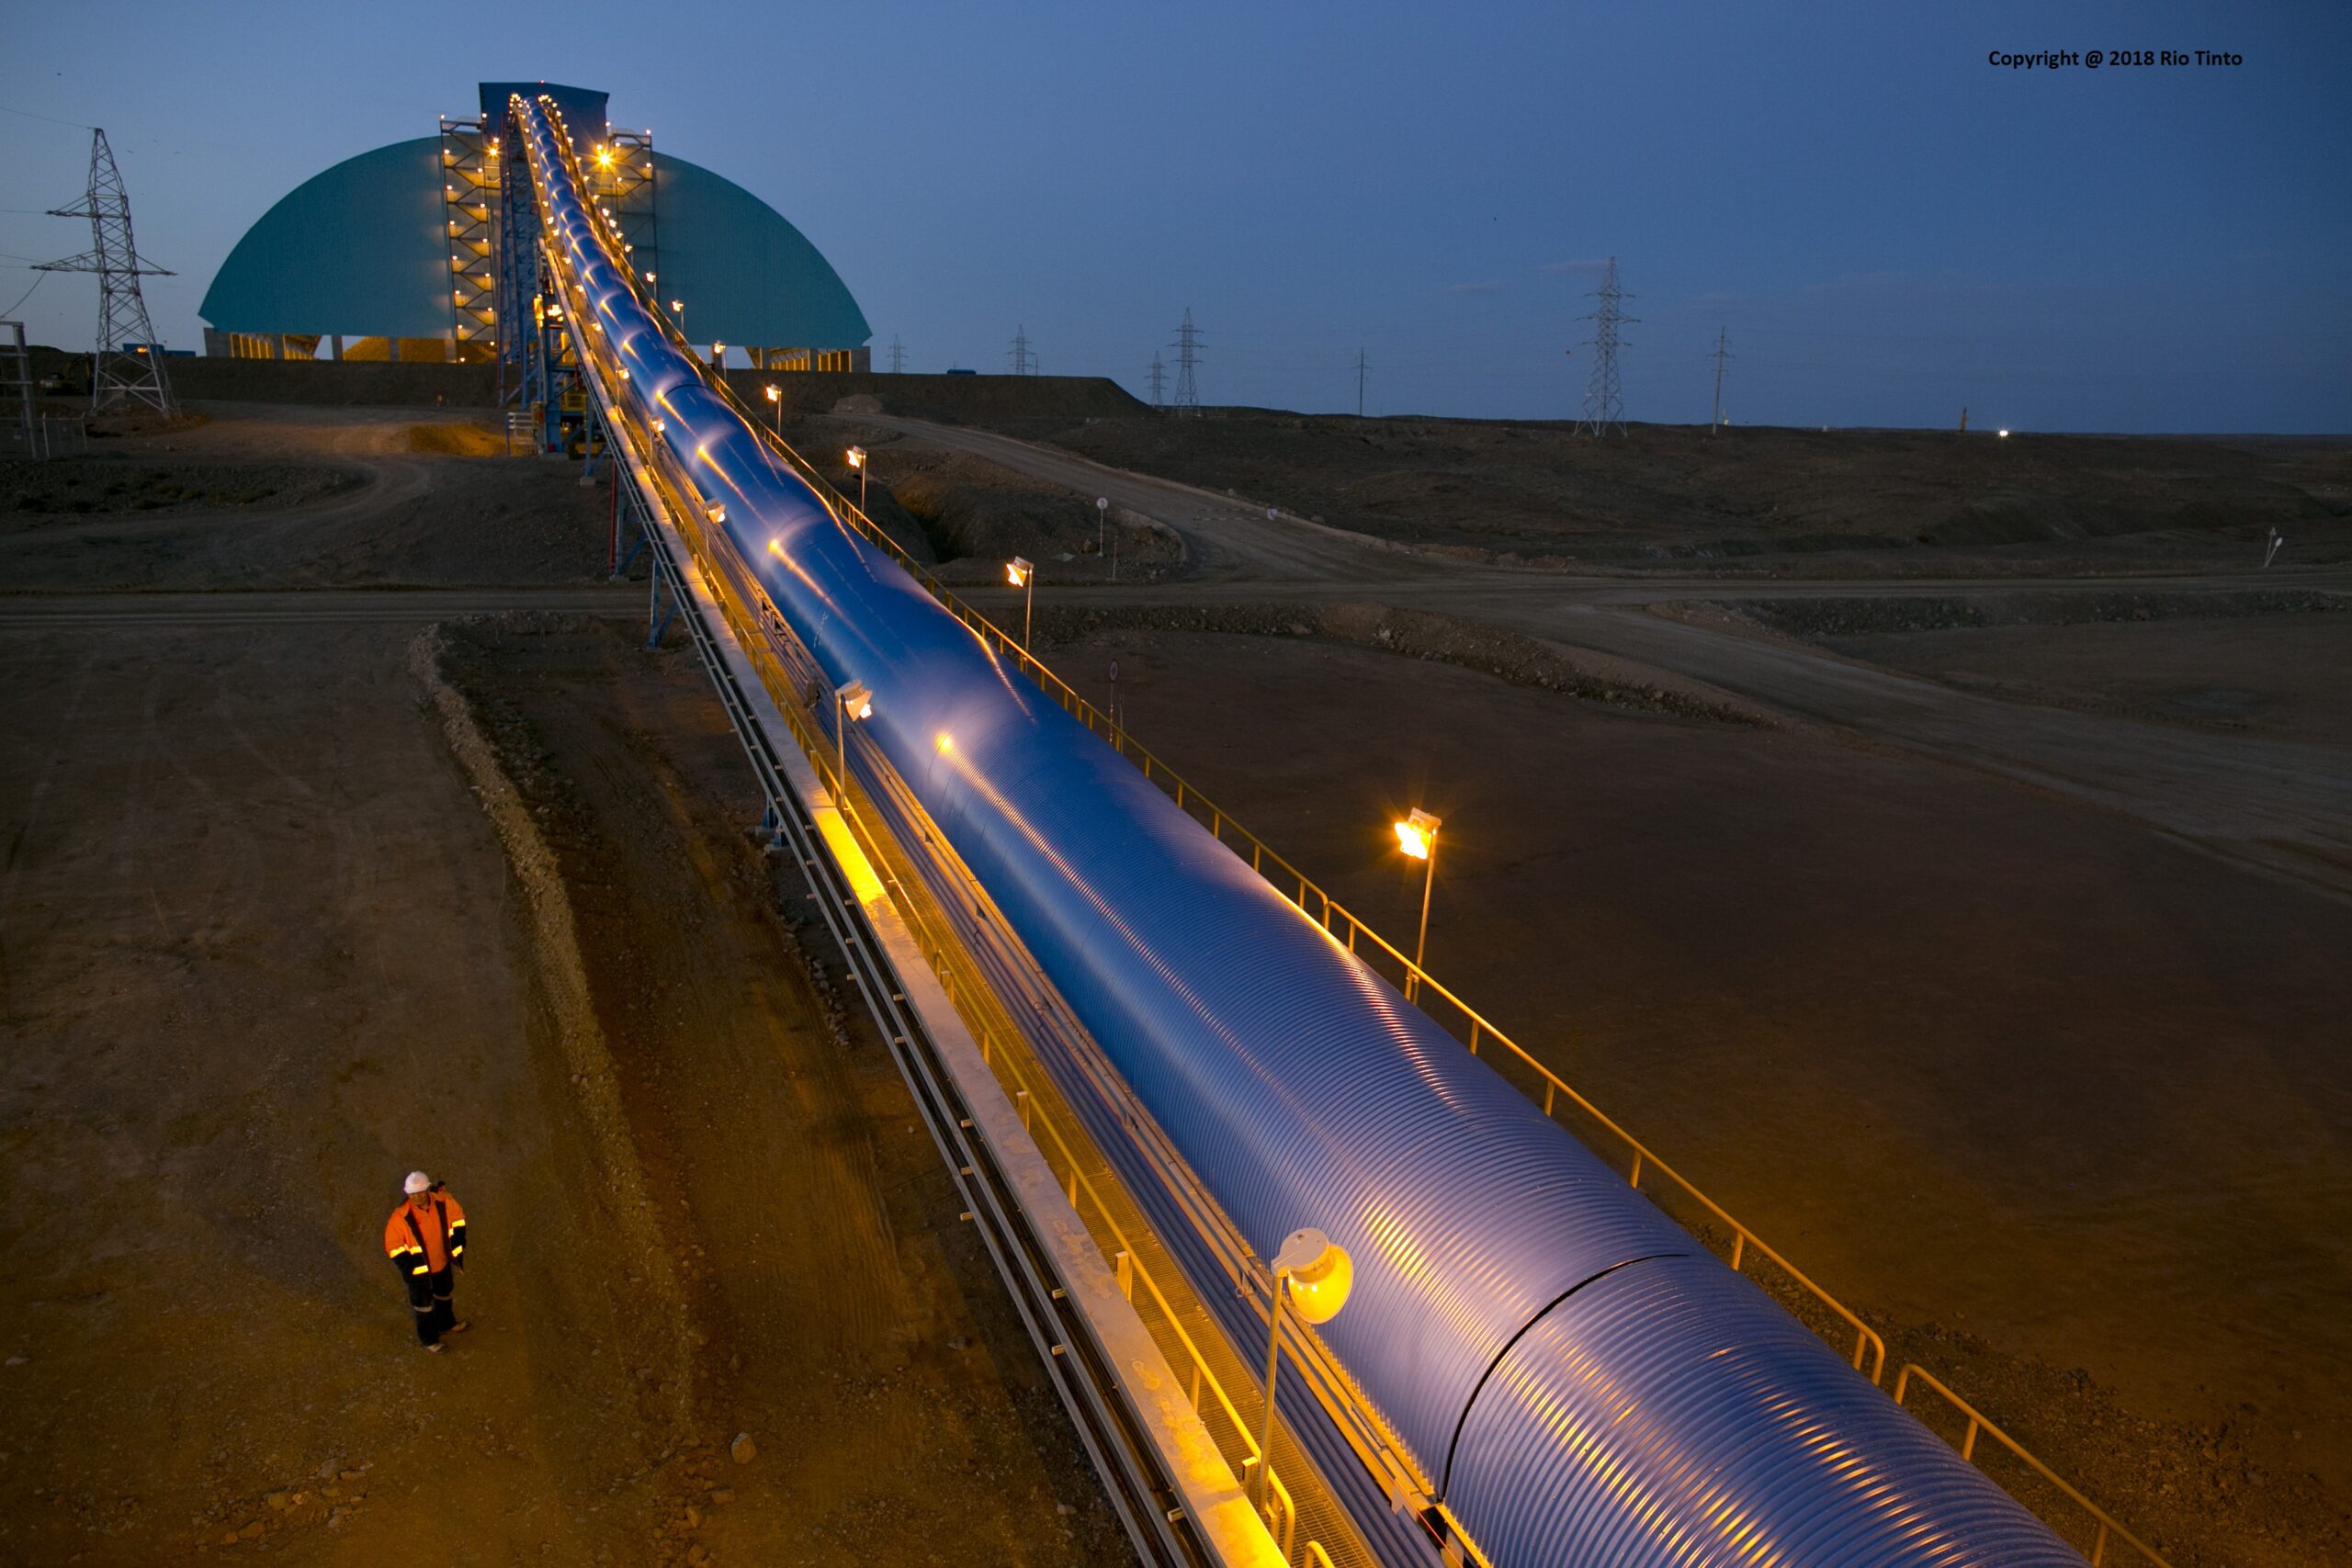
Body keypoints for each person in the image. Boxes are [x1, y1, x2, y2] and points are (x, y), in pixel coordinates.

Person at [383, 1171, 469, 1351]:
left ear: (427, 1189)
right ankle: (430, 1340)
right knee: (423, 1307)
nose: (417, 1196)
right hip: (420, 1272)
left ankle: (446, 1324)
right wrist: (409, 1268)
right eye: (413, 1193)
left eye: (421, 1191)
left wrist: (458, 1240)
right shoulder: (400, 1218)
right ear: (408, 1194)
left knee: (444, 1295)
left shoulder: (443, 1202)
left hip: (442, 1263)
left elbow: (458, 1218)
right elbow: (393, 1246)